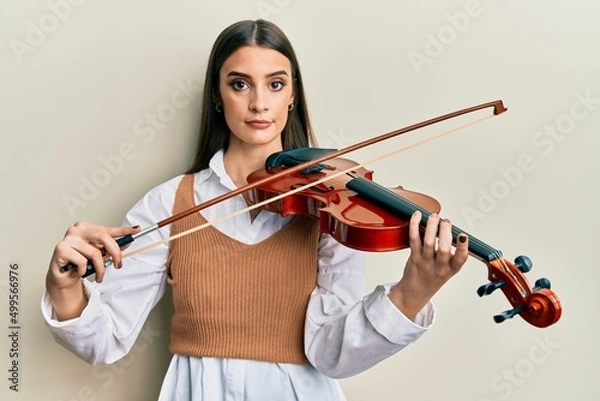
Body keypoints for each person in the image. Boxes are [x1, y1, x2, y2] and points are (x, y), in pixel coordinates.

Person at [42, 19, 469, 401]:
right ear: (216, 94)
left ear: (293, 96)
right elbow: (105, 339)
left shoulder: (333, 205)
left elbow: (332, 354)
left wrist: (412, 292)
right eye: (240, 84)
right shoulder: (167, 202)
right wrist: (64, 288)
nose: (259, 103)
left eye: (276, 84)